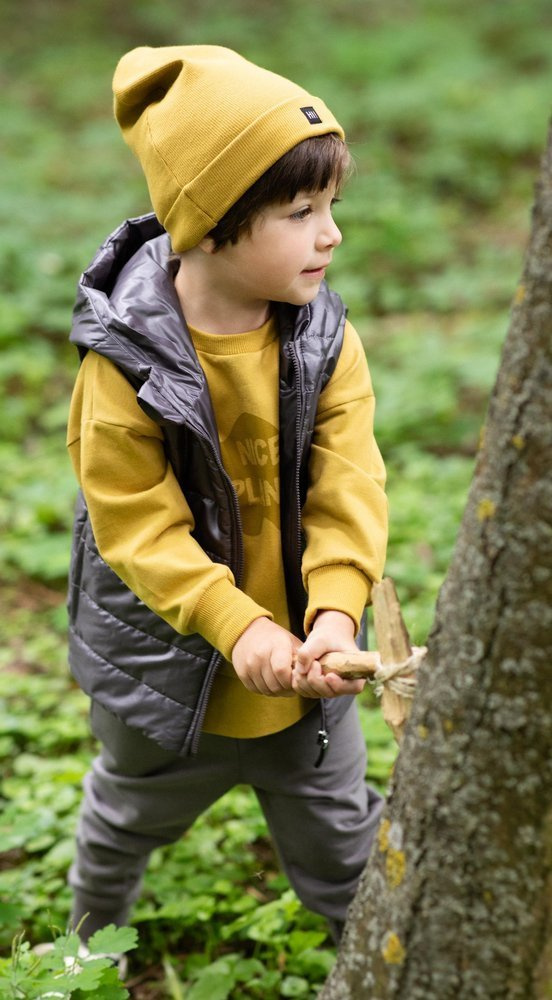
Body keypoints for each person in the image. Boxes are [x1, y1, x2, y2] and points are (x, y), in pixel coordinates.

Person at [65, 44, 388, 948]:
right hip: (168, 684)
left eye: (332, 206)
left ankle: (374, 967)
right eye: (301, 212)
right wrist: (236, 626)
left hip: (308, 684)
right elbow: (136, 522)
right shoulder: (124, 367)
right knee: (123, 821)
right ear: (211, 226)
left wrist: (336, 611)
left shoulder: (326, 344)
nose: (331, 234)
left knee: (346, 849)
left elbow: (349, 484)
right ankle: (81, 955)